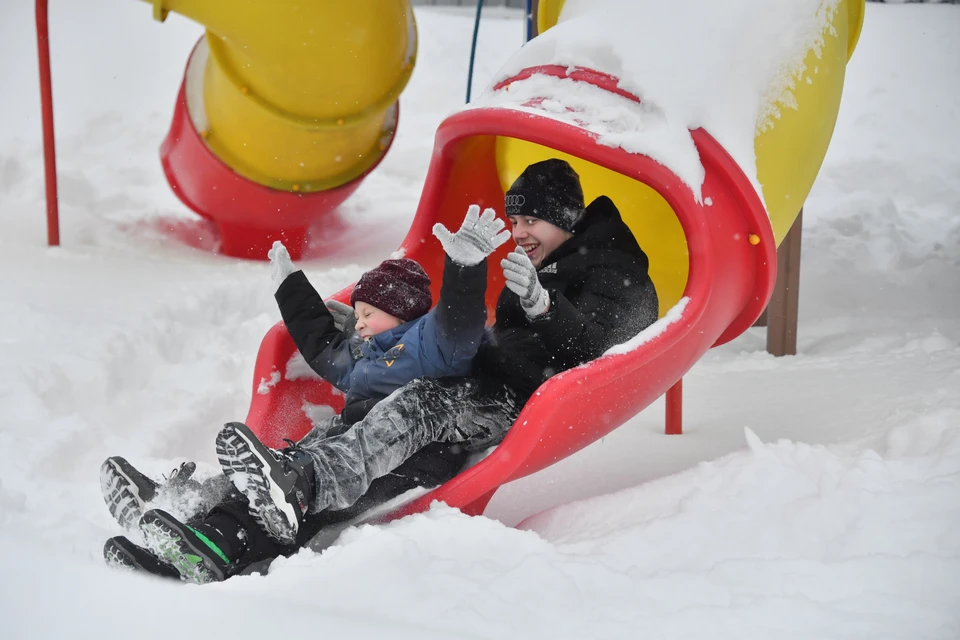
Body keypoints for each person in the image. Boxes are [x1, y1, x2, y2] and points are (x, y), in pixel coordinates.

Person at [103, 158, 660, 584]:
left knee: (415, 408)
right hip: (474, 384)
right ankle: (195, 514)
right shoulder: (537, 265)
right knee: (342, 429)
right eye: (514, 220)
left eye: (531, 219)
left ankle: (297, 489)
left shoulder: (616, 272)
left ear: (566, 218)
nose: (519, 232)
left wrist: (542, 306)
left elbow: (605, 351)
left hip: (510, 403)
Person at [101, 204, 511, 583]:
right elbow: (322, 344)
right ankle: (199, 526)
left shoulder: (430, 342)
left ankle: (298, 484)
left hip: (415, 454)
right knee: (289, 471)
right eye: (360, 312)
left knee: (334, 459)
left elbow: (459, 324)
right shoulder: (363, 358)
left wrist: (465, 268)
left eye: (369, 313)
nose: (361, 322)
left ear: (401, 312)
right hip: (352, 453)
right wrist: (290, 287)